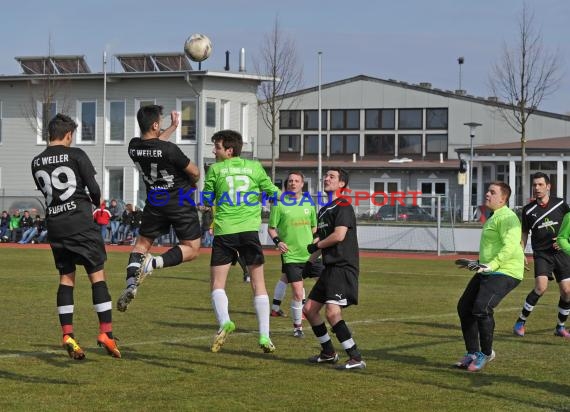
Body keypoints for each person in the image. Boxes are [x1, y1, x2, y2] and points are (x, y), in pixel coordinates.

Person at [30, 113, 120, 359]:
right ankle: (106, 333)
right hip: (80, 223)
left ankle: (67, 333)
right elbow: (94, 189)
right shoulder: (76, 154)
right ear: (68, 134)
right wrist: (95, 203)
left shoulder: (36, 162)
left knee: (66, 278)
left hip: (56, 226)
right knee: (97, 275)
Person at [116, 105, 201, 312]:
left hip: (155, 200)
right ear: (155, 125)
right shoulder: (170, 149)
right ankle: (153, 264)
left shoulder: (133, 146)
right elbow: (195, 171)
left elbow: (154, 144)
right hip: (179, 199)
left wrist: (172, 127)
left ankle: (130, 285)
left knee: (142, 243)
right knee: (192, 248)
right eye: (160, 123)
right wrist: (193, 183)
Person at [203, 129, 280, 353]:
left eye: (216, 147)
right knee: (259, 284)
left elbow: (207, 199)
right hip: (249, 232)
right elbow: (273, 193)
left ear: (229, 150)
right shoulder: (255, 167)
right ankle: (265, 336)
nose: (213, 151)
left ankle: (225, 321)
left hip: (225, 232)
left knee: (218, 284)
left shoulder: (215, 169)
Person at [455, 182, 523, 372]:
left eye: (492, 192)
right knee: (464, 307)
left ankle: (486, 353)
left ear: (503, 199)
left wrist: (490, 265)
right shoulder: (494, 217)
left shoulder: (509, 218)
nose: (487, 194)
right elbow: (492, 247)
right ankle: (472, 353)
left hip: (506, 271)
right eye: (488, 191)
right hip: (488, 269)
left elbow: (509, 247)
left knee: (482, 307)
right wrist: (477, 262)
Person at [303, 168, 366, 370]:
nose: (326, 178)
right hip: (329, 268)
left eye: (332, 177)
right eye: (326, 176)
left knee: (332, 312)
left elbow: (338, 236)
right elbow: (321, 240)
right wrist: (309, 262)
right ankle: (328, 352)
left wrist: (317, 246)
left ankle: (355, 357)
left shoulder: (344, 206)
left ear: (342, 184)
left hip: (342, 266)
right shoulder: (323, 209)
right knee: (310, 310)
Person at [513, 172, 570, 338]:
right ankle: (520, 322)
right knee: (541, 287)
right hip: (542, 254)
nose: (536, 188)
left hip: (561, 254)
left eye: (540, 185)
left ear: (548, 186)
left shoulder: (561, 204)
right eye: (534, 185)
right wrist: (520, 252)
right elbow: (524, 233)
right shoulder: (528, 210)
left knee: (567, 292)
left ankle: (560, 327)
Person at [268, 171, 319, 338]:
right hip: (291, 256)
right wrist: (278, 242)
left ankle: (315, 310)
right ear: (286, 184)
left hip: (310, 256)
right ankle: (298, 328)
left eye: (296, 181)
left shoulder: (309, 203)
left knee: (330, 281)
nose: (293, 183)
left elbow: (314, 227)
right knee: (297, 292)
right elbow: (271, 228)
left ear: (302, 184)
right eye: (290, 181)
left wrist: (316, 241)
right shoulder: (279, 204)